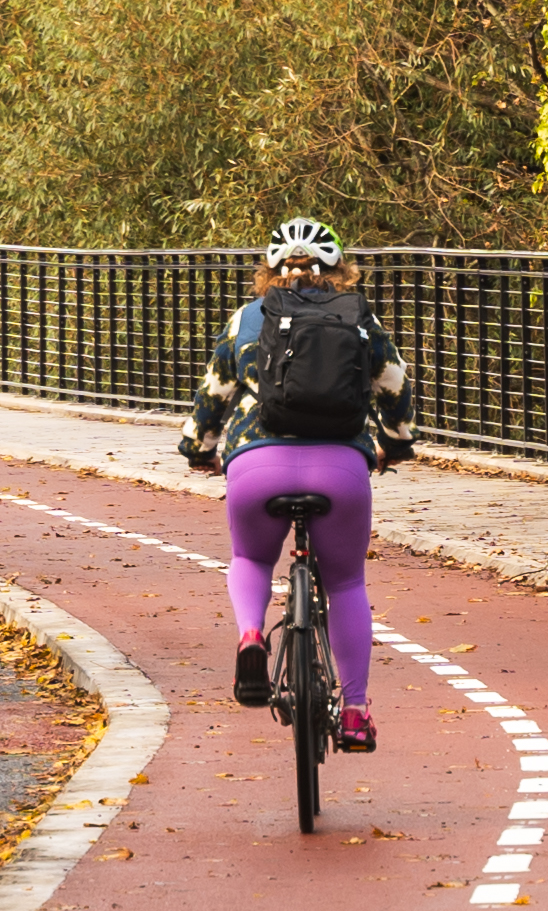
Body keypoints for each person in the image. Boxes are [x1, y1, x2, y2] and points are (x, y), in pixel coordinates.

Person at [177, 219, 415, 754]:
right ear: (340, 271)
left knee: (253, 559)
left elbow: (213, 393)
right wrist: (395, 444)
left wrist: (200, 450)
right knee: (348, 583)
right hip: (341, 468)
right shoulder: (359, 318)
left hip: (256, 468)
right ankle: (354, 712)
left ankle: (251, 636)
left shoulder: (246, 319)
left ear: (269, 273)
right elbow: (393, 387)